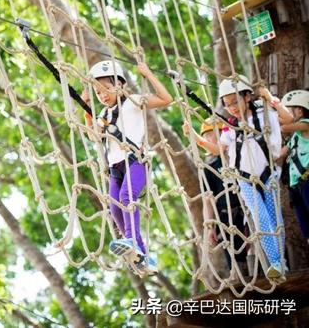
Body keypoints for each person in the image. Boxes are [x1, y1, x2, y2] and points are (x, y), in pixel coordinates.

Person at [82, 60, 173, 275]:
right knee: (114, 208)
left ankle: (131, 241)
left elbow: (166, 99)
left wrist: (148, 73)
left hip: (135, 161)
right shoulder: (103, 115)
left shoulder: (132, 102)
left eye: (106, 89)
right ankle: (140, 253)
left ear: (120, 85)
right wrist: (87, 114)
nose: (102, 95)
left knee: (126, 196)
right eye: (97, 92)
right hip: (115, 168)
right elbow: (93, 136)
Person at [196, 75, 284, 279]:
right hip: (244, 180)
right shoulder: (230, 127)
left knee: (274, 219)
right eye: (227, 105)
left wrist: (269, 97)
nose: (232, 108)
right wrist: (197, 139)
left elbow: (287, 119)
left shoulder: (264, 113)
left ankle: (281, 263)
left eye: (235, 102)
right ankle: (276, 263)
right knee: (261, 219)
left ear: (247, 97)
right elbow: (219, 149)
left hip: (267, 174)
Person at [184, 117, 249, 275]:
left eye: (211, 134)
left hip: (246, 210)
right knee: (235, 260)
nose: (208, 138)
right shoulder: (209, 168)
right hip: (226, 218)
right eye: (205, 135)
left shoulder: (240, 155)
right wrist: (210, 225)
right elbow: (208, 200)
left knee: (253, 250)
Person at [280, 90, 309, 244]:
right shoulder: (295, 138)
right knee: (306, 227)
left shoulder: (306, 125)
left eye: (288, 110)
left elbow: (285, 127)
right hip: (297, 186)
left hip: (307, 180)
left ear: (299, 109)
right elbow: (280, 154)